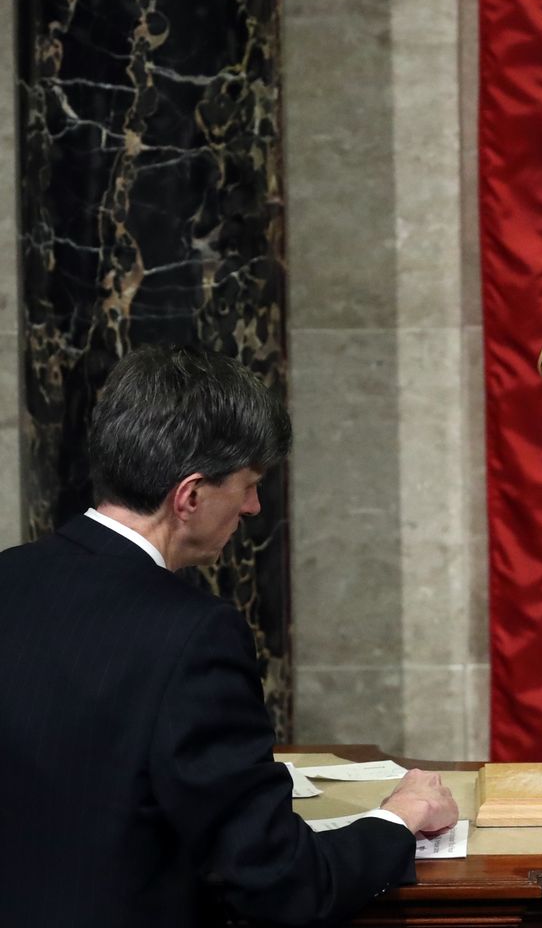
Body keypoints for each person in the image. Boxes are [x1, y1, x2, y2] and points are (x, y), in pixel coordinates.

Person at [0, 345, 458, 928]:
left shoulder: (6, 576)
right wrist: (400, 818)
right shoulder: (194, 635)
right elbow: (278, 885)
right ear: (189, 496)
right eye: (247, 485)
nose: (253, 507)